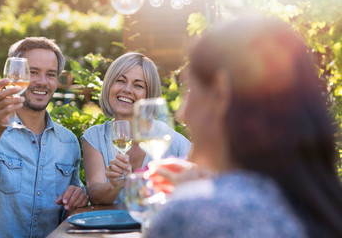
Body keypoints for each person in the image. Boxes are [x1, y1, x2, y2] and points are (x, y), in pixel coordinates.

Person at [147, 16, 342, 238]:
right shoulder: (325, 205)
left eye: (189, 91)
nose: (182, 113)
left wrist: (191, 201)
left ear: (221, 93)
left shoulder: (193, 214)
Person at [0, 37, 88, 238]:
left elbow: (69, 213)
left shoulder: (68, 142)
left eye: (50, 74)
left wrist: (76, 200)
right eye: (32, 72)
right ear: (14, 75)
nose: (42, 82)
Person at [82, 52, 191, 205]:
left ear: (148, 95)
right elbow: (95, 195)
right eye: (120, 81)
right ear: (109, 85)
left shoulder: (167, 139)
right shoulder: (95, 136)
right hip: (113, 227)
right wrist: (116, 184)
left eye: (138, 85)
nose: (127, 89)